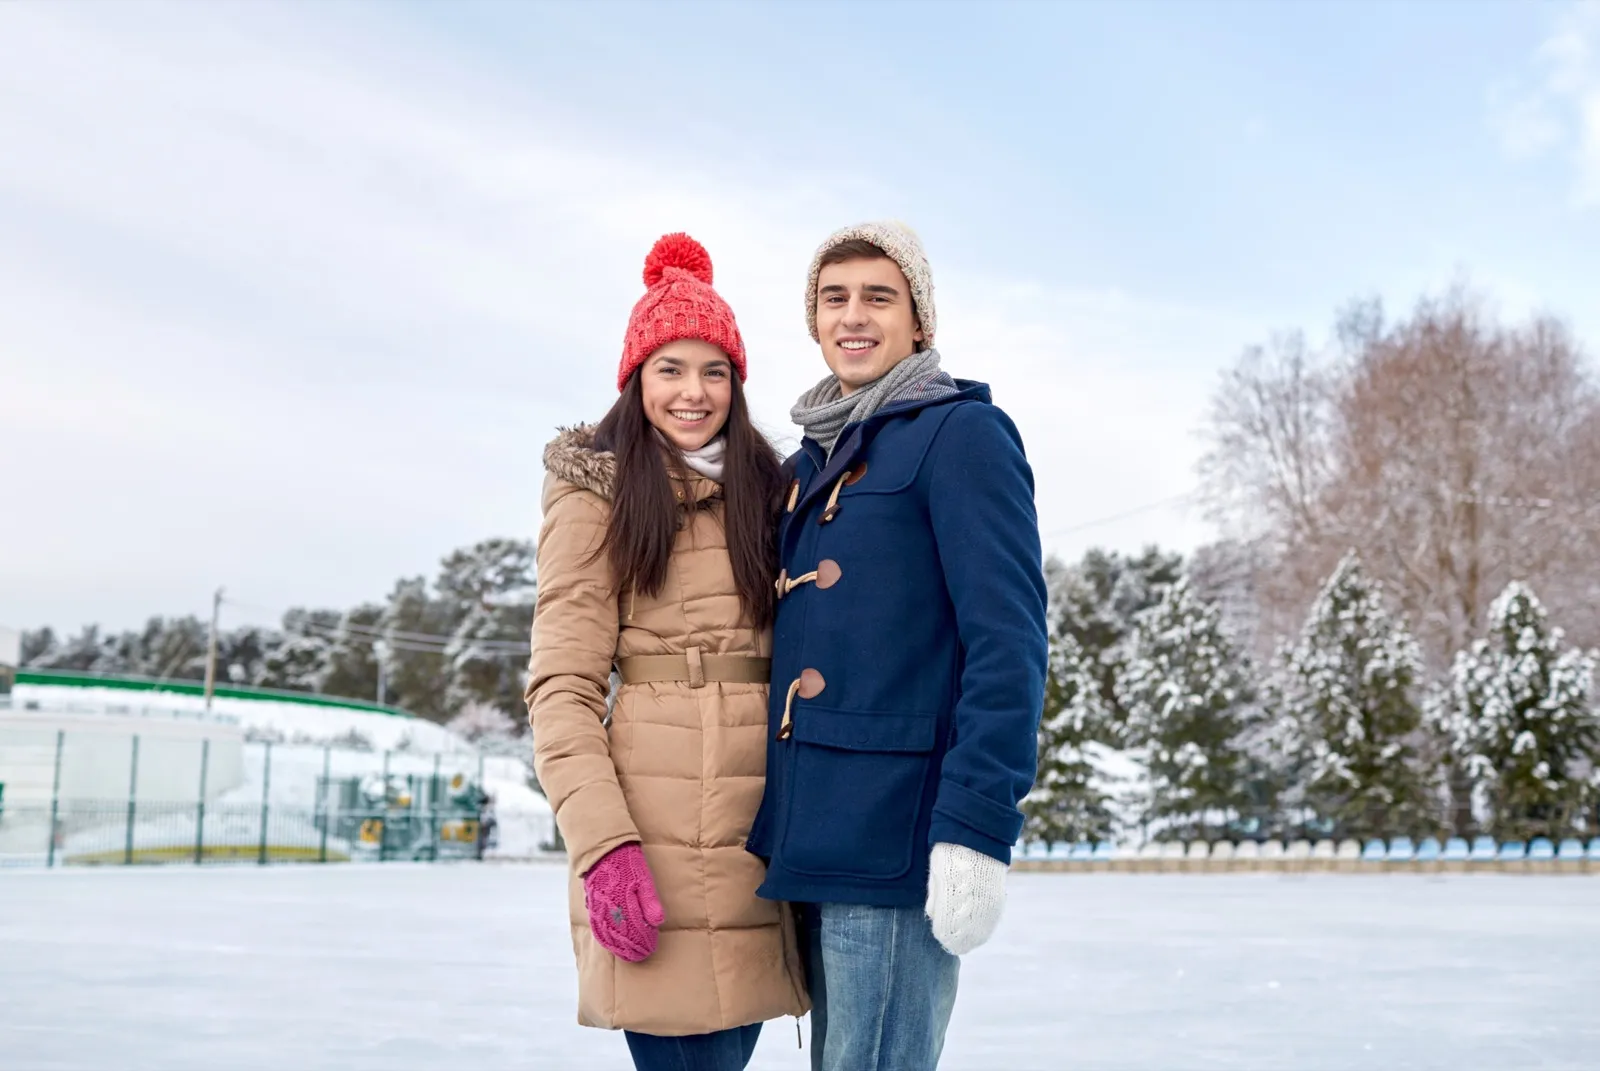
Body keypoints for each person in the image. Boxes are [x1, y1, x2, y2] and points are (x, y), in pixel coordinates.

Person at [745, 222, 1048, 1070]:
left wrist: (976, 826)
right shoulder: (810, 462)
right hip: (813, 835)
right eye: (834, 297)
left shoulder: (963, 435)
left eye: (880, 295)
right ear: (813, 321)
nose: (855, 315)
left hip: (898, 834)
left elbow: (1009, 642)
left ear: (919, 321)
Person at [526, 233, 809, 1070]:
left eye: (714, 370)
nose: (694, 392)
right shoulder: (598, 492)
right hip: (651, 839)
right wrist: (604, 846)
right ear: (636, 378)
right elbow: (561, 690)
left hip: (760, 834)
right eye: (671, 369)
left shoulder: (772, 489)